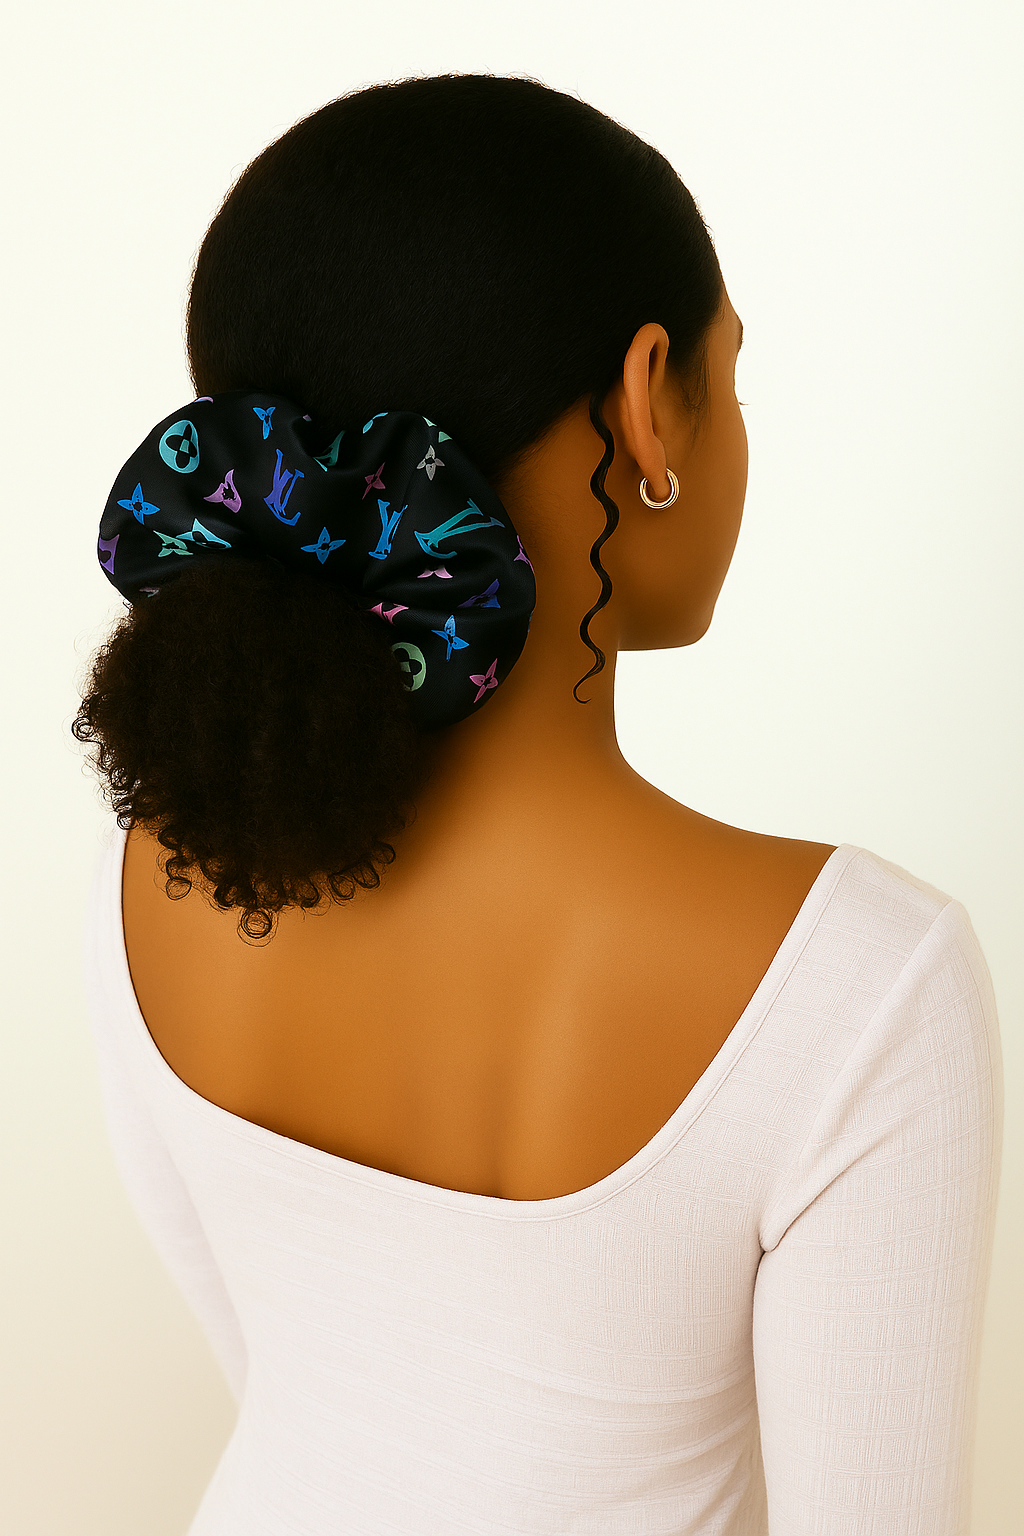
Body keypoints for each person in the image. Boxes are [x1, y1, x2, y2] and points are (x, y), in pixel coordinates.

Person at [75, 73, 1002, 1536]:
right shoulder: (860, 986)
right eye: (728, 376)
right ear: (645, 403)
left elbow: (301, 1385)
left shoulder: (167, 861)